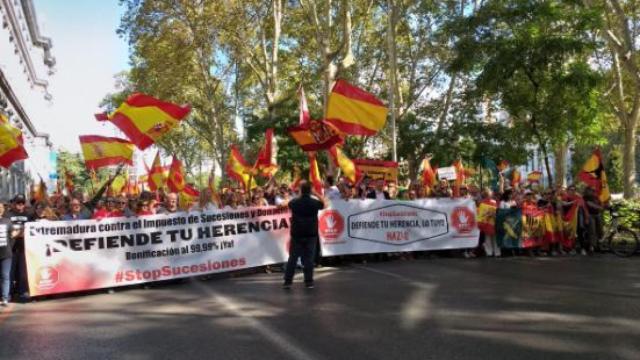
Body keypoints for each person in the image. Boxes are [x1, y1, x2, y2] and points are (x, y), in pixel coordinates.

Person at [282, 181, 325, 289]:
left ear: (301, 190)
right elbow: (325, 204)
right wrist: (316, 194)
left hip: (297, 234)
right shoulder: (314, 202)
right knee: (309, 259)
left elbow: (287, 203)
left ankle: (288, 281)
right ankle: (308, 282)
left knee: (293, 257)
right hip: (311, 234)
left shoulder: (295, 202)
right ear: (310, 190)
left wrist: (299, 194)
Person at [4, 194, 35, 302]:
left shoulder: (29, 215)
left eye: (22, 203)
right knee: (9, 273)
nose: (20, 205)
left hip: (24, 248)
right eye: (18, 203)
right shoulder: (7, 214)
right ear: (13, 204)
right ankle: (8, 294)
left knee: (23, 272)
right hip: (10, 248)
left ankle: (23, 293)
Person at [1, 202, 17, 306]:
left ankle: (5, 298)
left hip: (6, 253)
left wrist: (17, 233)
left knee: (5, 276)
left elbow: (13, 234)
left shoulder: (7, 221)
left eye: (1, 207)